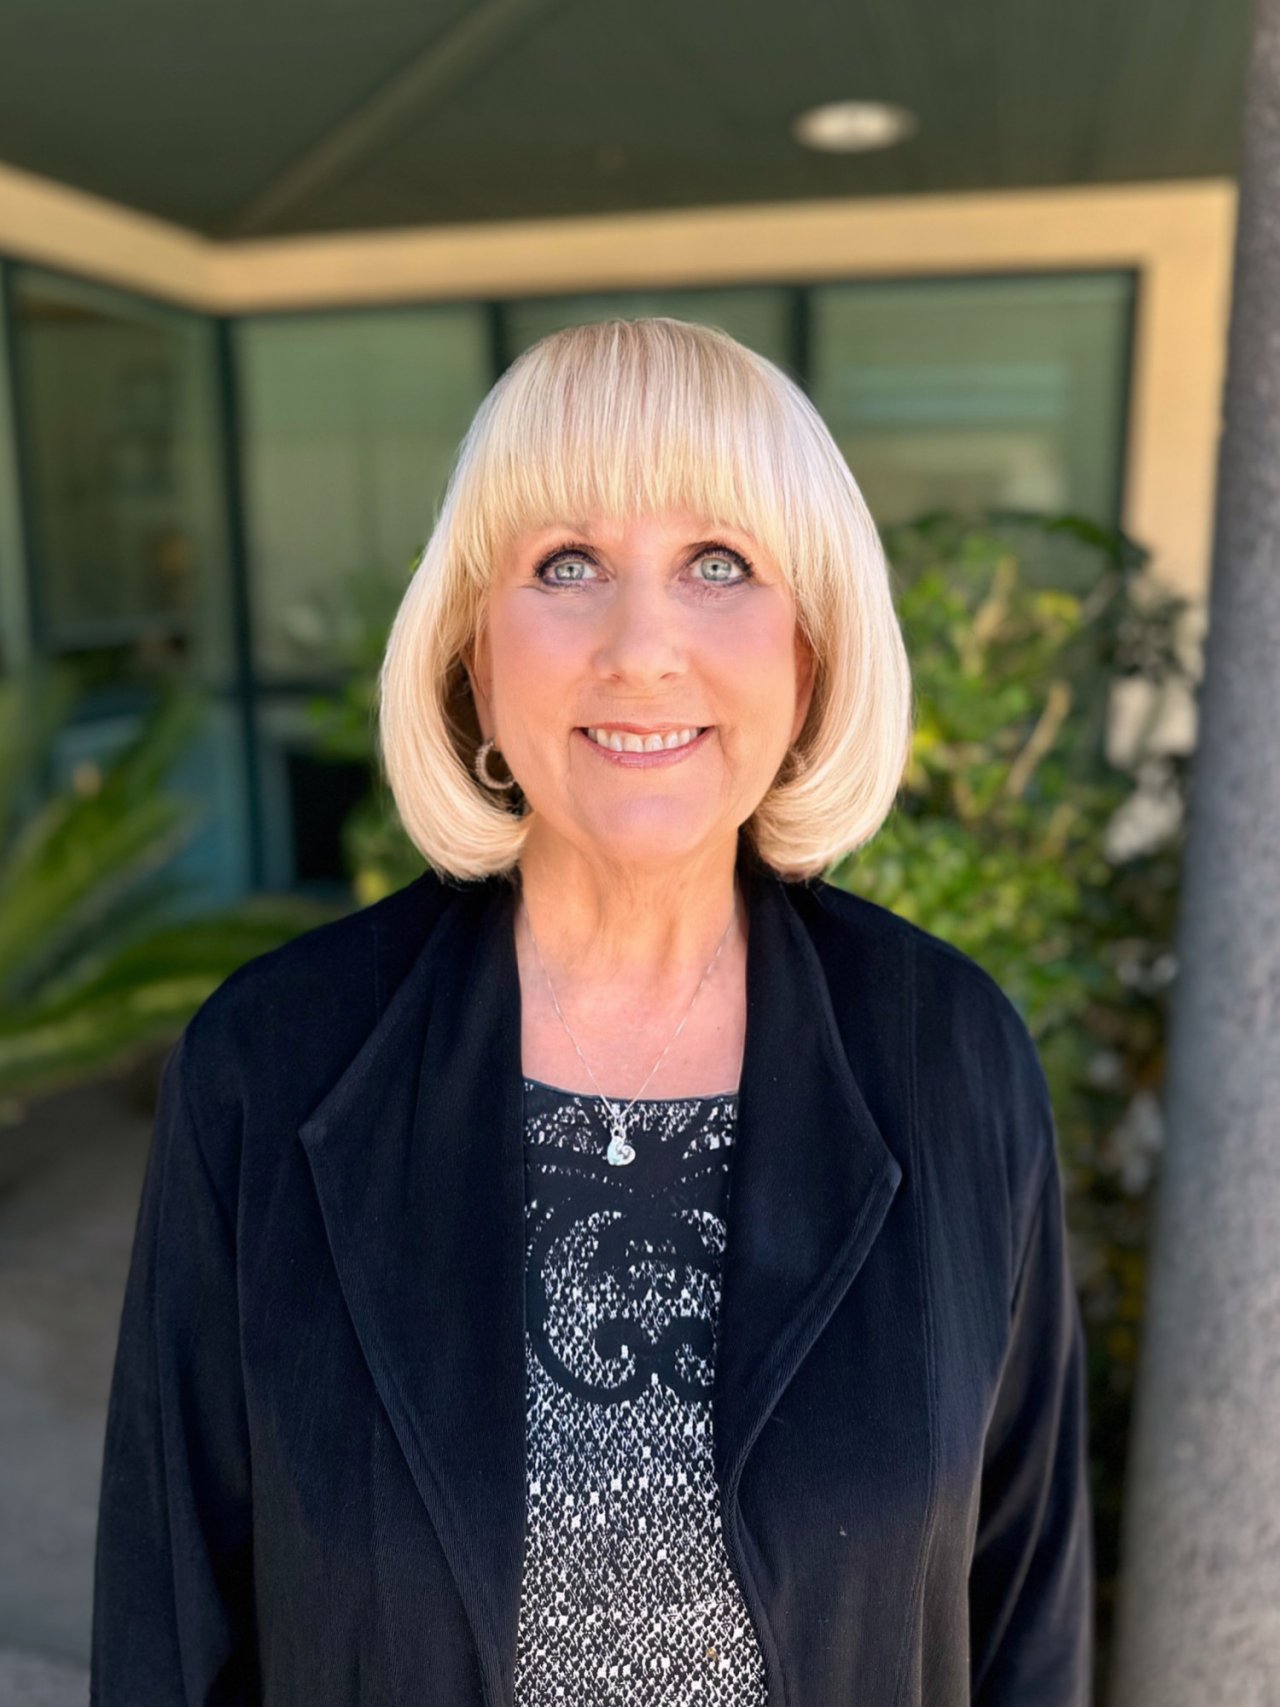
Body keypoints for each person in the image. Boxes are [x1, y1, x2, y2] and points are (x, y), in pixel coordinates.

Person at [91, 316, 1094, 1706]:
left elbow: (1026, 1607)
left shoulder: (951, 1055)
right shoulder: (270, 1062)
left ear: (808, 655)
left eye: (719, 564)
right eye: (567, 564)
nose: (642, 649)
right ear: (474, 660)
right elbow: (167, 1620)